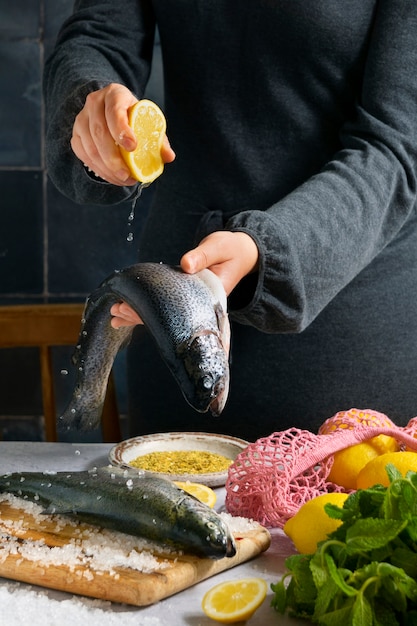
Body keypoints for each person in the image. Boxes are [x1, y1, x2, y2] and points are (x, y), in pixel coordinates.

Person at [43, 1, 417, 442]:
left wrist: (268, 250)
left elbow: (395, 143)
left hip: (346, 347)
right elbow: (97, 36)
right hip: (175, 328)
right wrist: (95, 107)